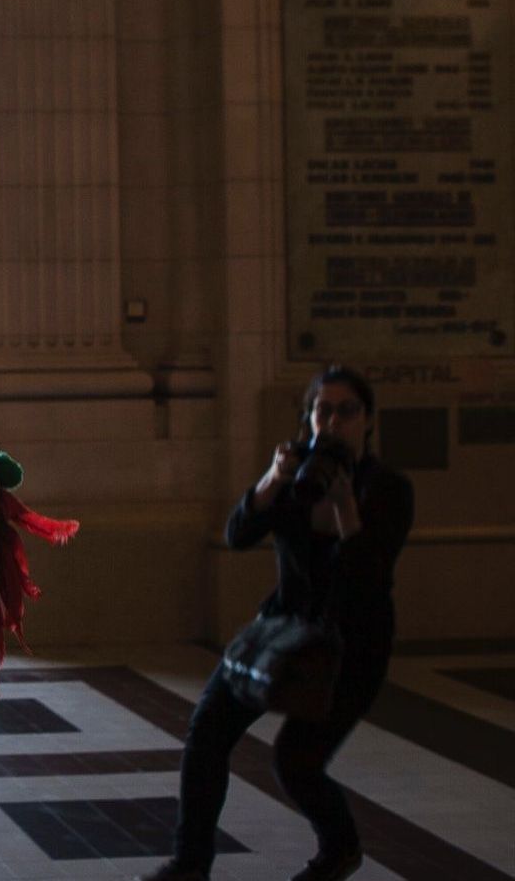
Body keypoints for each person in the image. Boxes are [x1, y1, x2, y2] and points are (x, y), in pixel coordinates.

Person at [141, 365, 413, 881]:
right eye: (322, 410)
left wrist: (346, 509)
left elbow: (367, 578)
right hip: (281, 632)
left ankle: (340, 849)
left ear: (369, 422)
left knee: (296, 762)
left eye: (346, 411)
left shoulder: (388, 488)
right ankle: (189, 866)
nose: (332, 423)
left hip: (351, 648)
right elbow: (239, 533)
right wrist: (271, 480)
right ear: (308, 417)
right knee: (207, 735)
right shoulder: (295, 478)